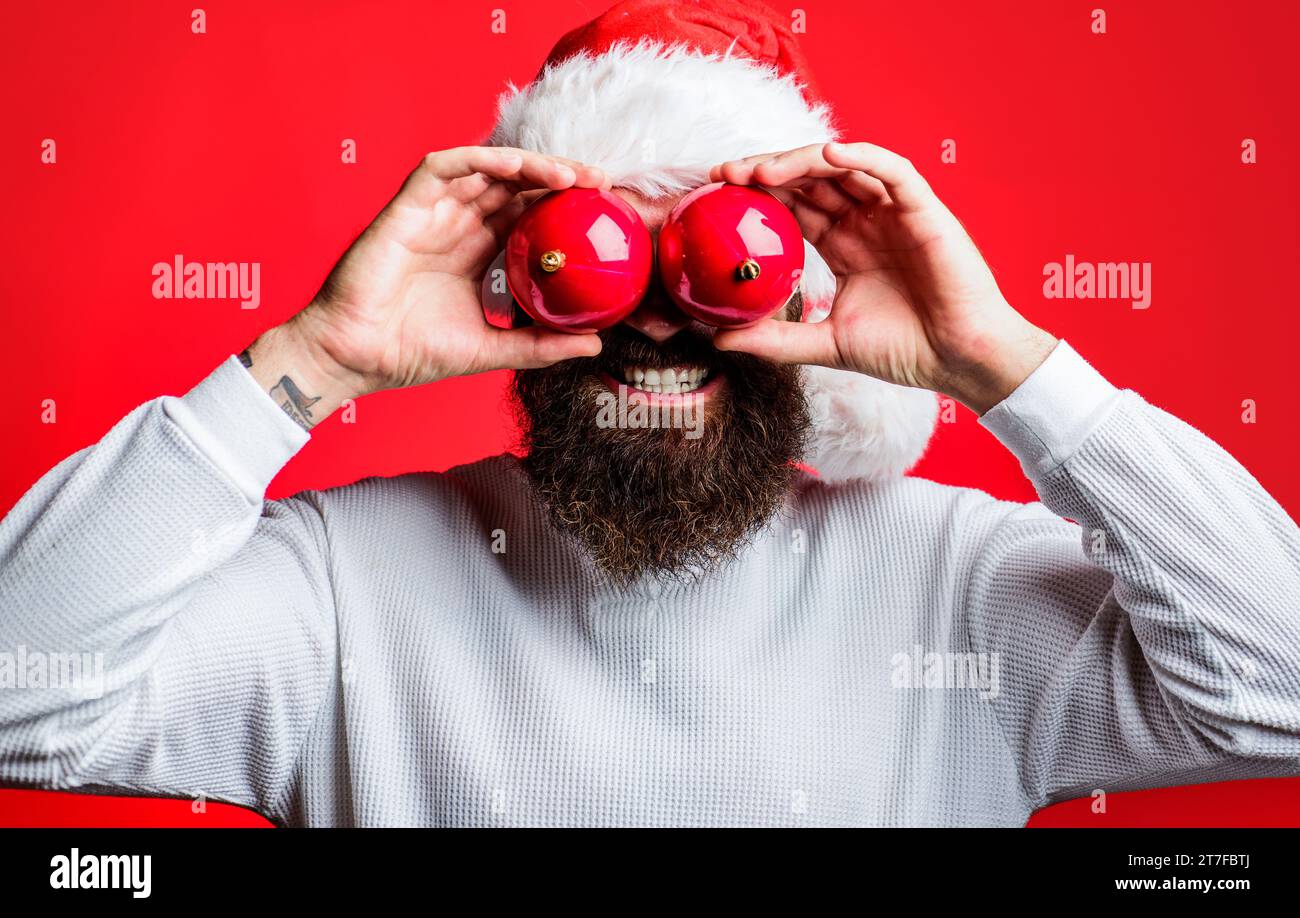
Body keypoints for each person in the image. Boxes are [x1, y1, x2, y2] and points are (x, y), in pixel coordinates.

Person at [1, 0, 1298, 827]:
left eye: (712, 264)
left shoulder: (952, 585)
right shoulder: (345, 589)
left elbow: (1279, 694)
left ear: (799, 288)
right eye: (616, 252)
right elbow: (19, 702)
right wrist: (311, 359)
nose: (663, 318)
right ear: (523, 279)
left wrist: (1005, 362)